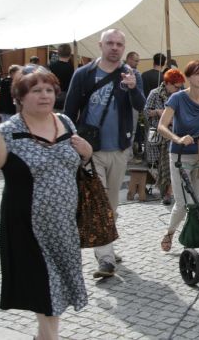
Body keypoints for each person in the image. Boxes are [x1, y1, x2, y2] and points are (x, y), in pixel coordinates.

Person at [0, 65, 92, 340]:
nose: (45, 95)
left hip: (63, 225)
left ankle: (44, 336)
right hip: (28, 227)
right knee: (46, 290)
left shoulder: (65, 122)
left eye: (49, 90)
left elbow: (76, 165)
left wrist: (87, 153)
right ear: (20, 96)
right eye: (36, 90)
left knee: (56, 288)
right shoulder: (6, 132)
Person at [64, 29, 146, 278]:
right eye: (109, 43)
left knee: (112, 204)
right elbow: (69, 111)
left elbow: (141, 106)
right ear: (100, 45)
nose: (114, 47)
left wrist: (133, 88)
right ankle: (106, 259)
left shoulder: (132, 75)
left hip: (120, 148)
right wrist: (71, 143)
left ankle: (105, 243)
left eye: (119, 44)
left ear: (124, 47)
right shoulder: (84, 74)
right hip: (92, 150)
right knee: (99, 203)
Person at [157, 60, 199, 252]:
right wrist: (177, 139)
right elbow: (162, 126)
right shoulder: (178, 98)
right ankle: (170, 233)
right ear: (188, 77)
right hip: (180, 157)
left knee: (197, 201)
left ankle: (190, 238)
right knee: (183, 202)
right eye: (197, 73)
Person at [144, 68, 186, 205]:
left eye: (180, 86)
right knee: (162, 165)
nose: (178, 89)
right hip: (159, 135)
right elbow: (145, 112)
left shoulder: (180, 96)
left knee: (171, 164)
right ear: (167, 83)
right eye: (176, 86)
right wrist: (158, 112)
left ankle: (168, 192)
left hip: (174, 134)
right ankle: (165, 191)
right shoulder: (155, 94)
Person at [48, 43, 75, 110]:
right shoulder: (72, 68)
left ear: (58, 53)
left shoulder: (51, 67)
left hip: (54, 96)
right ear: (69, 53)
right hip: (68, 98)